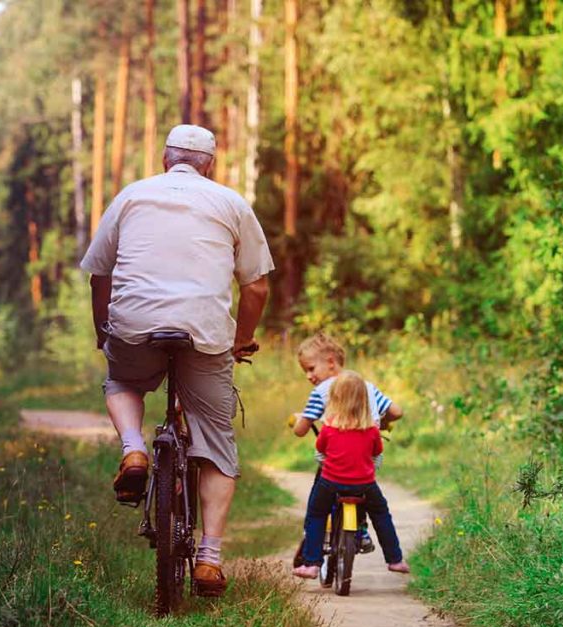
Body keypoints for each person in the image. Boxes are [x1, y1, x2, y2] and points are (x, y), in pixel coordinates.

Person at [80, 124, 273, 597]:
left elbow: (99, 275)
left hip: (133, 324)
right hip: (204, 332)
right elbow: (257, 286)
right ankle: (209, 560)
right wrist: (240, 340)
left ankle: (133, 448)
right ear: (210, 165)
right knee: (218, 443)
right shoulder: (230, 203)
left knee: (122, 381)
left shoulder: (131, 196)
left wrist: (105, 331)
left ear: (166, 160)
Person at [291, 332, 403, 552]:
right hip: (366, 458)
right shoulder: (365, 387)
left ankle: (317, 536)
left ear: (331, 362)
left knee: (319, 495)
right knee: (365, 490)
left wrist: (296, 420)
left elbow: (301, 430)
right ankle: (361, 531)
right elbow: (397, 412)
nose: (308, 376)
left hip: (336, 461)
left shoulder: (321, 391)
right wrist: (381, 422)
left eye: (311, 368)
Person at [293, 370, 410, 578]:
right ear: (365, 401)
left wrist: (328, 463)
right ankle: (395, 559)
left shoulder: (328, 429)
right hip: (364, 485)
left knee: (316, 514)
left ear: (334, 401)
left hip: (330, 483)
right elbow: (376, 454)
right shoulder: (372, 431)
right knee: (381, 514)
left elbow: (320, 453)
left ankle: (311, 563)